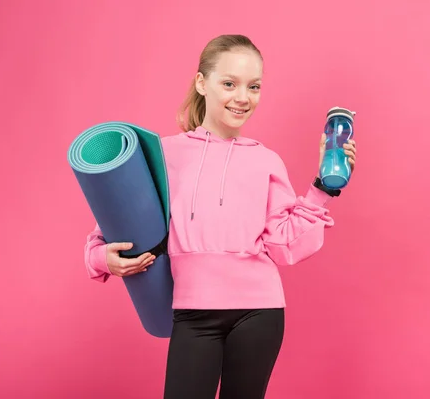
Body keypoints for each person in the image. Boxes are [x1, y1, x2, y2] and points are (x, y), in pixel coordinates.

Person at [83, 34, 357, 399]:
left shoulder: (266, 160)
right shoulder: (162, 154)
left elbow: (282, 243)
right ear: (202, 83)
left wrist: (323, 186)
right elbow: (111, 227)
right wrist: (104, 259)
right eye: (229, 83)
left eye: (254, 86)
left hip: (259, 312)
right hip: (192, 312)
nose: (243, 97)